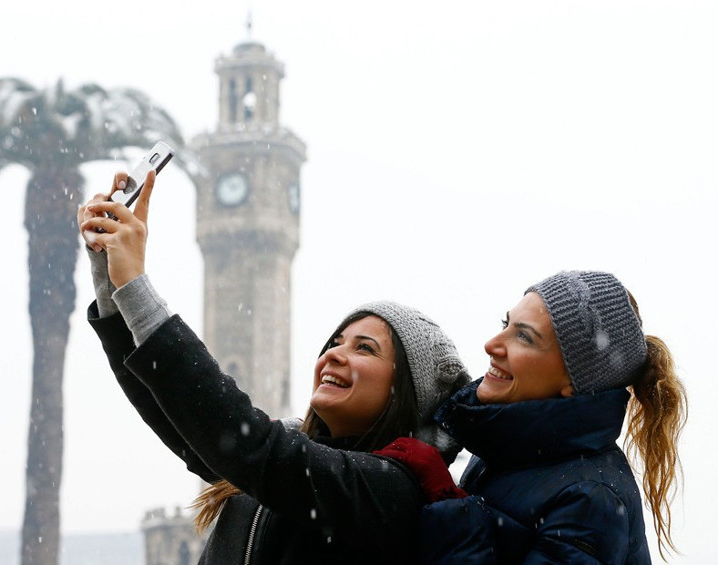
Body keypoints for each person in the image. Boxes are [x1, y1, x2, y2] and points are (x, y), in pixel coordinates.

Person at [78, 170, 471, 563]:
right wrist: (109, 279)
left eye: (365, 349)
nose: (334, 354)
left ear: (406, 391)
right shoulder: (280, 456)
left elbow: (241, 439)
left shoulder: (389, 489)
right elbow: (174, 408)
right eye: (335, 342)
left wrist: (135, 284)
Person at [419, 270, 688, 564]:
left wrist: (450, 506)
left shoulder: (591, 498)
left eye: (524, 336)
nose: (492, 344)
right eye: (505, 324)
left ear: (574, 382)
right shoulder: (508, 451)